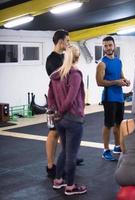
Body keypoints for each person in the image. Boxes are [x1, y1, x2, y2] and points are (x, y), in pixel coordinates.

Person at [48, 45, 87, 195]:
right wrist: (62, 111)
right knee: (71, 154)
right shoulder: (75, 74)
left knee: (65, 150)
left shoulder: (55, 75)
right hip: (72, 119)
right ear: (77, 57)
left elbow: (50, 96)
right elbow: (70, 99)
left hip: (60, 120)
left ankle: (58, 181)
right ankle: (70, 187)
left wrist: (55, 112)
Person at [45, 29, 83, 178]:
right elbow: (55, 85)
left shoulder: (63, 57)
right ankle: (50, 166)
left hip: (64, 108)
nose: (68, 44)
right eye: (67, 41)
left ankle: (69, 157)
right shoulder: (52, 60)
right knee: (53, 133)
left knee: (63, 134)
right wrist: (56, 109)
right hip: (58, 106)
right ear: (61, 42)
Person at [96, 36, 130, 161]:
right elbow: (99, 82)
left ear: (114, 46)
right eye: (105, 46)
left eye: (110, 45)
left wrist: (126, 81)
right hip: (109, 97)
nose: (108, 48)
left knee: (118, 124)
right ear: (103, 47)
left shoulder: (118, 61)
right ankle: (105, 150)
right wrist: (116, 82)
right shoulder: (102, 63)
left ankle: (117, 146)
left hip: (119, 97)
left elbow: (121, 76)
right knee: (108, 124)